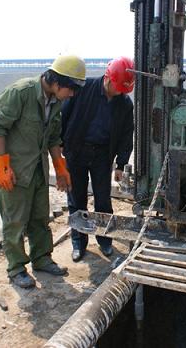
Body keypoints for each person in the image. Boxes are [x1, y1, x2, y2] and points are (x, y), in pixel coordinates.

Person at [0, 55, 86, 288]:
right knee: (15, 221)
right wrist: (2, 166)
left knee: (40, 218)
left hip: (38, 168)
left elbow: (52, 137)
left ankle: (41, 259)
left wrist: (60, 167)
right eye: (71, 89)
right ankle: (16, 268)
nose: (72, 95)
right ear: (58, 81)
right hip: (15, 170)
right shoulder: (20, 93)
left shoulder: (56, 102)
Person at [61, 56, 134, 262]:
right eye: (118, 87)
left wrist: (121, 163)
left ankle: (105, 239)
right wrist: (59, 145)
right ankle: (79, 242)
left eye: (123, 90)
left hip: (103, 155)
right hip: (77, 151)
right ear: (108, 78)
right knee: (77, 199)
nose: (119, 92)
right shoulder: (83, 90)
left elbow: (126, 134)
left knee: (103, 199)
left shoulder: (124, 104)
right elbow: (63, 115)